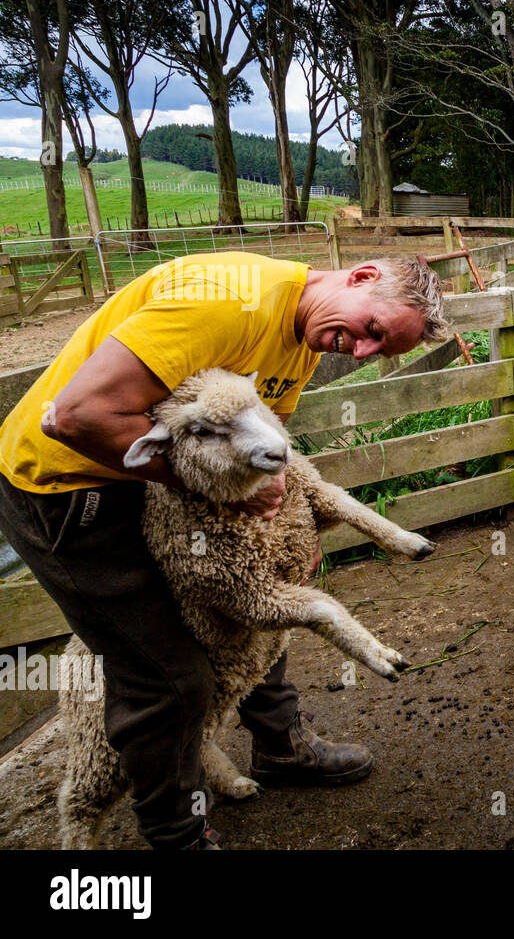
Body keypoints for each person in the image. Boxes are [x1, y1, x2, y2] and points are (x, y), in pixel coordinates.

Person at [0, 251, 448, 849]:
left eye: (380, 353)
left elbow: (269, 437)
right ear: (361, 276)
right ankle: (176, 831)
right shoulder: (223, 301)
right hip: (65, 489)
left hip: (148, 481)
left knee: (257, 593)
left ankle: (280, 744)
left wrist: (290, 524)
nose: (361, 352)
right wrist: (215, 490)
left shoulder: (305, 336)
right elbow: (74, 417)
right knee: (167, 675)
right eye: (372, 332)